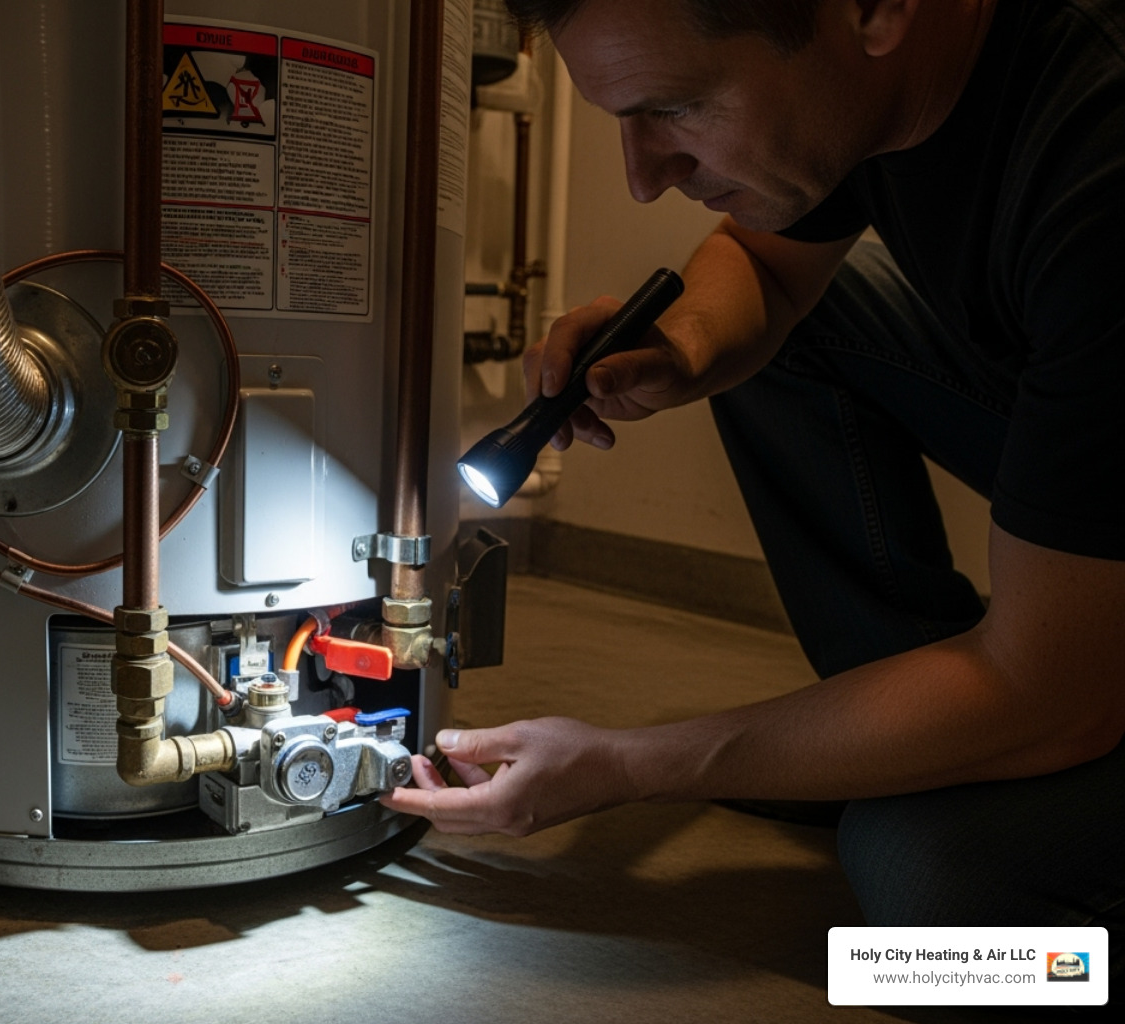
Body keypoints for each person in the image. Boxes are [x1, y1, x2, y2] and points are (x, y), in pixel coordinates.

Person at [381, 0, 1124, 956]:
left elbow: (1054, 693)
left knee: (933, 903)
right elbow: (765, 273)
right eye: (624, 122)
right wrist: (684, 350)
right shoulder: (888, 90)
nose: (645, 178)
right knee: (787, 335)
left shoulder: (1101, 163)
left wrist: (632, 764)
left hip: (1066, 676)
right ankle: (919, 730)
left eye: (678, 108)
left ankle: (966, 755)